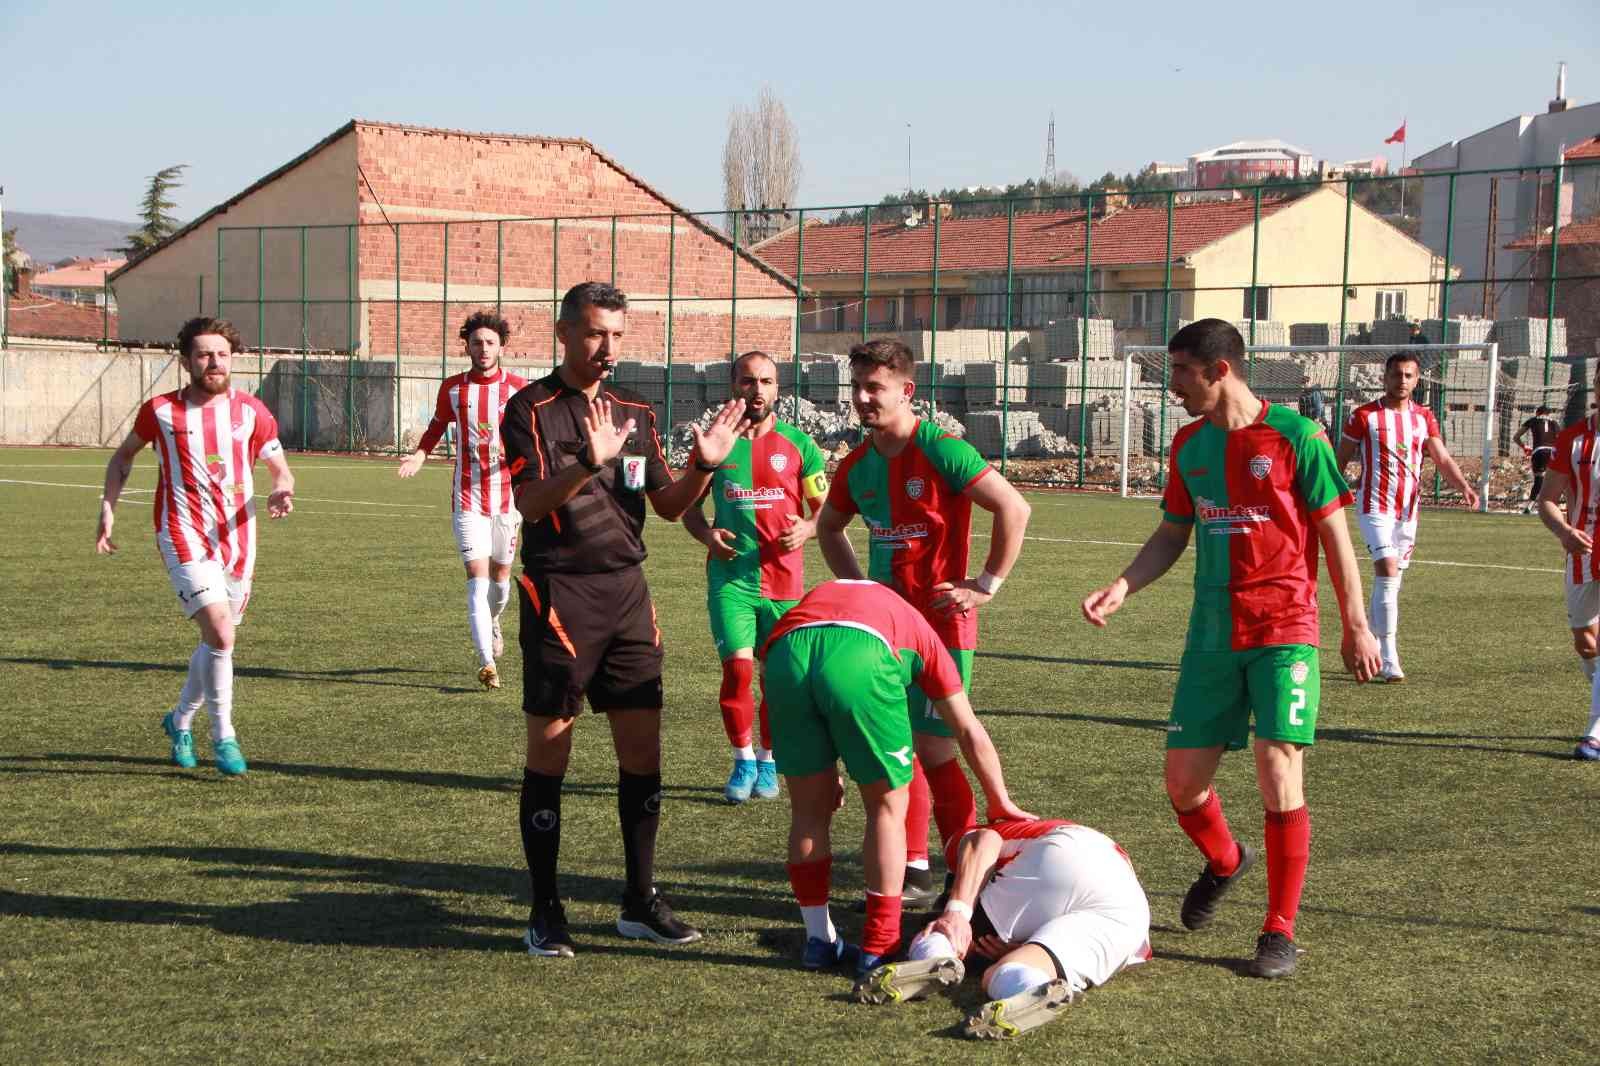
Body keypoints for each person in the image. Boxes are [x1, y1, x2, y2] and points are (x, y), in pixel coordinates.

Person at [1081, 318, 1381, 979]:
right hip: (1213, 636)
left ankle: (1279, 929)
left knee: (1279, 770)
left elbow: (1335, 535)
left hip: (1285, 631)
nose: (1173, 386)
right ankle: (1225, 860)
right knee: (1183, 784)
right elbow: (1172, 533)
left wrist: (1357, 625)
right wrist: (1123, 586)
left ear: (1220, 370)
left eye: (1181, 372)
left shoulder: (1297, 436)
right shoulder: (1188, 445)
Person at [500, 281, 748, 958]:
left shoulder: (635, 410)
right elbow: (529, 503)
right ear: (563, 333)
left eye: (615, 335)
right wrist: (589, 460)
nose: (606, 347)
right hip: (560, 594)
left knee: (643, 755)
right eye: (593, 333)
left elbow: (667, 505)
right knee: (550, 754)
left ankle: (639, 900)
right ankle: (545, 909)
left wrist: (704, 467)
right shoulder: (529, 408)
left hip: (628, 595)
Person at [815, 338, 1032, 905]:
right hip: (887, 632)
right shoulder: (857, 466)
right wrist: (861, 589)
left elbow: (1014, 507)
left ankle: (962, 864)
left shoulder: (942, 450)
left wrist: (985, 584)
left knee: (934, 749)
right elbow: (829, 527)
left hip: (943, 626)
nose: (862, 398)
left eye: (875, 387)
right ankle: (915, 866)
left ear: (906, 390)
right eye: (857, 387)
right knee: (900, 746)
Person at [760, 578, 1032, 976]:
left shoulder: (833, 595)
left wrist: (823, 769)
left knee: (808, 813)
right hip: (862, 653)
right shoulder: (923, 633)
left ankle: (819, 941)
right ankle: (879, 944)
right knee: (887, 809)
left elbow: (773, 678)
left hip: (786, 656)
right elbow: (967, 728)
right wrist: (999, 799)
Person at [95, 316, 296, 776]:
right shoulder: (161, 411)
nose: (214, 362)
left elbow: (280, 468)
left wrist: (282, 489)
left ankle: (180, 720)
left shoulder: (252, 411)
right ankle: (224, 736)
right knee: (221, 633)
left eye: (222, 354)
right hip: (182, 531)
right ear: (186, 361)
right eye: (204, 354)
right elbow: (123, 457)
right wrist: (108, 506)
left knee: (216, 640)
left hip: (238, 537)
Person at [681, 351, 828, 804]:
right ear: (734, 385)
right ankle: (743, 759)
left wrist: (807, 528)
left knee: (779, 681)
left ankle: (768, 759)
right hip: (731, 582)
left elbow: (826, 512)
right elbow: (687, 508)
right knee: (738, 672)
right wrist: (706, 535)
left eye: (766, 381)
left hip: (785, 585)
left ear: (777, 388)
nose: (757, 389)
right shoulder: (715, 445)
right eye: (748, 381)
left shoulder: (800, 446)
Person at [856, 817, 1151, 1041]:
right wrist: (1028, 942)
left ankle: (935, 955)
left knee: (950, 931)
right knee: (1008, 970)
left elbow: (983, 839)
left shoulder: (1019, 829)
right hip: (1131, 912)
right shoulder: (1108, 860)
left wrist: (956, 910)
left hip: (1063, 856)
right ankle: (1030, 989)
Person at [398, 311, 529, 689]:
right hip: (467, 496)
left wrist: (522, 457)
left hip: (507, 498)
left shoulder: (519, 389)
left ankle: (493, 620)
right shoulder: (454, 389)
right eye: (476, 343)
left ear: (501, 347)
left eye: (490, 343)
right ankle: (486, 662)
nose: (483, 349)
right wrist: (420, 454)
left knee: (501, 579)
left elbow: (534, 435)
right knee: (477, 578)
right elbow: (437, 425)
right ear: (467, 347)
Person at [1335, 350, 1479, 682]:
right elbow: (1338, 460)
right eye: (1396, 374)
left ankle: (1371, 638)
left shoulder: (1424, 417)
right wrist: (1325, 496)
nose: (1402, 380)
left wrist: (1463, 486)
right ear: (1385, 378)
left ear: (1416, 381)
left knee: (1391, 580)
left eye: (1408, 375)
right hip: (1374, 506)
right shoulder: (1364, 416)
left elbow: (1441, 458)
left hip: (1407, 511)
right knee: (1386, 569)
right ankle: (1389, 656)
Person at [1534, 365, 1600, 761]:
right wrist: (1563, 531)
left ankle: (1595, 732)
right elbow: (1546, 500)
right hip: (1582, 552)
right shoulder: (1573, 439)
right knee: (1586, 641)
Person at [1515, 405, 1562, 515]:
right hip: (1552, 452)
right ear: (1549, 414)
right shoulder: (1554, 422)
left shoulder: (1533, 420)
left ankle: (1529, 507)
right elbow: (1560, 438)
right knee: (1554, 480)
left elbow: (1516, 437)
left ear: (1537, 413)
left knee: (1539, 480)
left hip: (1539, 451)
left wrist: (1524, 447)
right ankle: (1554, 505)